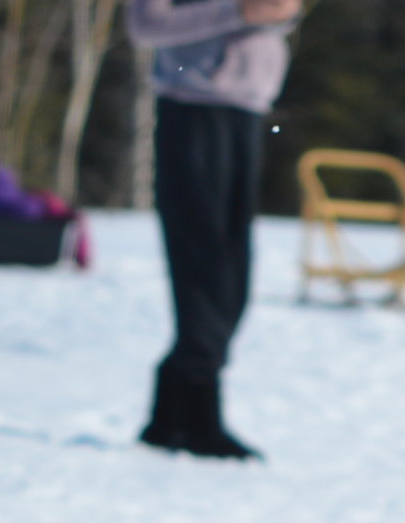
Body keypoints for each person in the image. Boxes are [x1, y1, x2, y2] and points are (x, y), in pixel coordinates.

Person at [129, 0, 302, 461]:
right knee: (202, 263)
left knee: (231, 271)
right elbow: (146, 25)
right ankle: (198, 413)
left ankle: (171, 413)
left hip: (245, 108)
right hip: (193, 108)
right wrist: (242, 14)